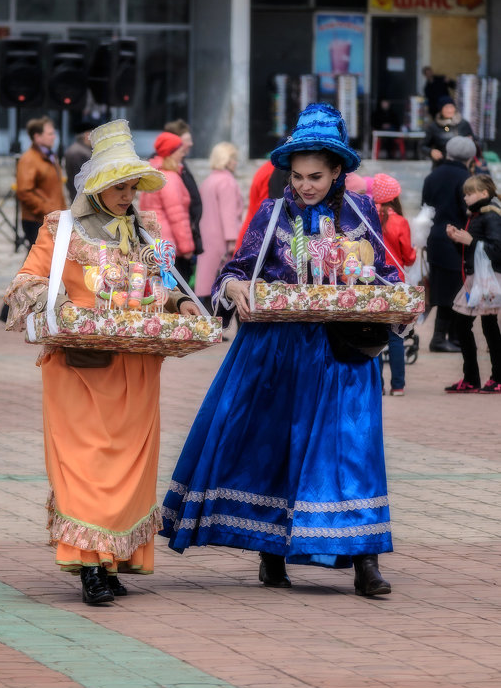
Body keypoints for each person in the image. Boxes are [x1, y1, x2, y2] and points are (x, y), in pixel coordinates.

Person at [160, 103, 401, 597]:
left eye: (316, 176)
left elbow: (390, 276)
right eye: (297, 176)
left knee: (352, 451)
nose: (306, 185)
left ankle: (365, 560)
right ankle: (271, 551)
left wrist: (392, 299)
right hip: (278, 351)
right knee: (275, 446)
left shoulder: (362, 213)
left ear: (338, 172)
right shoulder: (272, 214)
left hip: (342, 357)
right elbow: (235, 268)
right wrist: (232, 290)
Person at [5, 120, 200, 606]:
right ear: (95, 185)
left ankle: (113, 560)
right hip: (79, 365)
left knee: (131, 468)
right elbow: (27, 282)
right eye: (118, 185)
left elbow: (167, 283)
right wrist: (66, 312)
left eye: (132, 185)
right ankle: (89, 565)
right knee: (84, 464)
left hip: (135, 367)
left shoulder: (146, 229)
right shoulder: (61, 228)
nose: (127, 194)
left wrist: (182, 305)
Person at [445, 174, 501, 393]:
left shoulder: (491, 216)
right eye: (465, 194)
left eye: (470, 193)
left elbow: (497, 251)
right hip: (476, 278)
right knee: (479, 325)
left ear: (484, 193)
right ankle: (477, 378)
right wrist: (457, 239)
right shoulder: (477, 215)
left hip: (485, 280)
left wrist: (471, 241)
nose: (466, 197)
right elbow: (469, 252)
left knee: (478, 324)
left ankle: (487, 377)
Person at [422, 135, 474, 352]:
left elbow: (425, 209)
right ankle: (443, 338)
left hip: (435, 238)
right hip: (456, 238)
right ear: (470, 156)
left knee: (443, 288)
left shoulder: (432, 176)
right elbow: (468, 212)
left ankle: (449, 338)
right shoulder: (466, 178)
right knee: (456, 290)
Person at [372, 174, 416, 396]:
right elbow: (408, 257)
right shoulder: (400, 221)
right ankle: (397, 385)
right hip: (395, 282)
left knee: (376, 336)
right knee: (396, 336)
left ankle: (377, 384)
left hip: (372, 281)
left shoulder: (368, 218)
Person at [140, 132, 195, 281]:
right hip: (169, 247)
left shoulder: (153, 175)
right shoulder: (169, 178)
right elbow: (178, 217)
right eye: (179, 150)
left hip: (153, 243)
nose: (182, 154)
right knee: (173, 290)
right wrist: (187, 247)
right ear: (171, 153)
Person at [195, 142, 243, 313]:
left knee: (207, 283)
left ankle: (210, 321)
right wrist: (232, 240)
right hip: (222, 238)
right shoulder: (227, 182)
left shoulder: (209, 180)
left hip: (207, 235)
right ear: (227, 160)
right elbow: (228, 213)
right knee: (227, 282)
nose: (236, 162)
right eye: (233, 159)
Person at [16, 116, 66, 247]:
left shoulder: (49, 156)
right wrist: (48, 210)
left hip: (52, 219)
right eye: (50, 134)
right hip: (37, 220)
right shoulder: (29, 159)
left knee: (49, 262)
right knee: (38, 262)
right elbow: (24, 191)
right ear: (37, 137)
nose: (54, 137)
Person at [164, 119, 203, 259]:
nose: (191, 144)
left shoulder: (179, 166)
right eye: (187, 140)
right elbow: (176, 212)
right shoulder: (169, 172)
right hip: (175, 247)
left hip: (178, 243)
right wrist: (186, 247)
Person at [234, 160, 276, 252]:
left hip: (251, 229)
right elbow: (265, 209)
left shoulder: (266, 168)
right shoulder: (273, 171)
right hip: (256, 234)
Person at [422, 97, 476, 166]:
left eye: (451, 107)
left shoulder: (463, 124)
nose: (449, 110)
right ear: (441, 110)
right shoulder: (434, 127)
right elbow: (422, 146)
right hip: (441, 165)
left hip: (463, 165)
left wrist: (471, 142)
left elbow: (474, 142)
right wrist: (431, 152)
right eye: (446, 108)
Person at [64, 121, 94, 202]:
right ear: (87, 135)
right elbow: (82, 180)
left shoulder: (78, 149)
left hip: (78, 198)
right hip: (81, 199)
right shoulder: (79, 152)